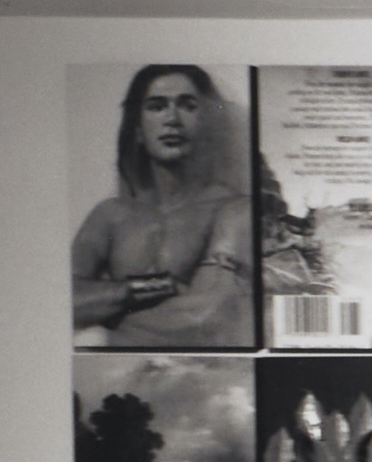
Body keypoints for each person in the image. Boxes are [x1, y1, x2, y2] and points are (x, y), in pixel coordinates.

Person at [68, 64, 254, 342]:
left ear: (206, 124)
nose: (172, 119)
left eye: (187, 105)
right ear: (138, 130)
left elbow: (209, 315)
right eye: (157, 106)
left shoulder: (235, 210)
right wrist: (162, 285)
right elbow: (62, 302)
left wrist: (106, 326)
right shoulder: (110, 215)